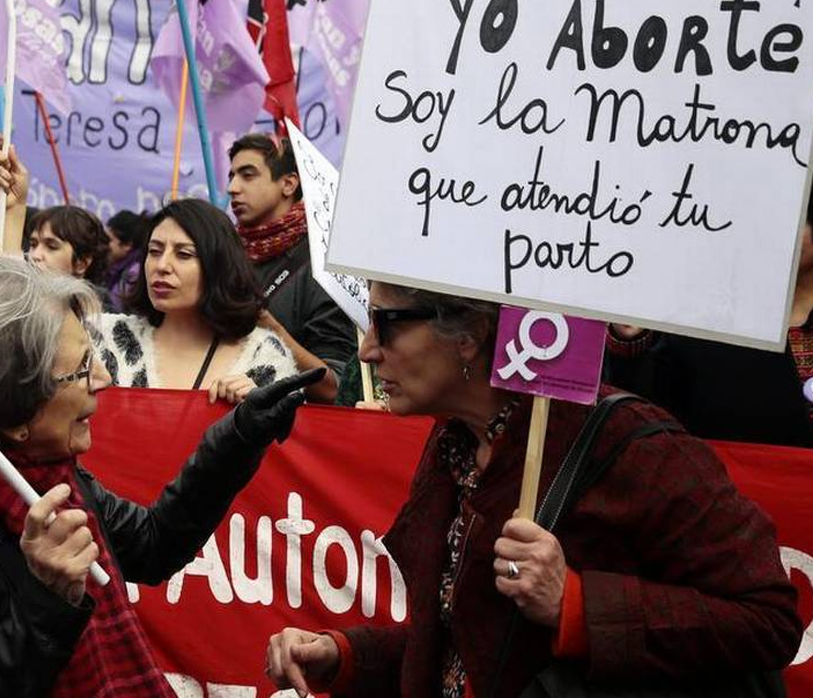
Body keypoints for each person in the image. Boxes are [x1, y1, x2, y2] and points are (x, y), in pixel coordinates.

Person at [265, 283, 801, 698]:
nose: (366, 350)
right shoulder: (453, 445)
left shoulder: (631, 444)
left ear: (469, 335)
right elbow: (467, 652)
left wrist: (575, 604)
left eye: (386, 324)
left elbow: (768, 620)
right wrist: (343, 655)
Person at [0, 255, 323, 697]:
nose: (102, 378)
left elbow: (153, 544)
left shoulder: (48, 473)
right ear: (15, 410)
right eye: (80, 369)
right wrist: (48, 598)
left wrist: (239, 436)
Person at [605, 201, 813, 447]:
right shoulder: (705, 322)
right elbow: (642, 412)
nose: (782, 235)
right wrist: (629, 338)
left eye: (796, 220)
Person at [98, 198, 299, 403]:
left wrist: (259, 412)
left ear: (219, 266)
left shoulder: (262, 356)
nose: (162, 265)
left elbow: (290, 422)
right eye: (155, 251)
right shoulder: (105, 341)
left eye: (183, 254)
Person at [228, 133, 355, 402]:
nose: (232, 187)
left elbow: (334, 386)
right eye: (232, 176)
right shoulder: (226, 258)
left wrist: (269, 329)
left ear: (288, 184)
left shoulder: (324, 260)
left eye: (247, 175)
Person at [104, 209, 148, 311]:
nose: (102, 244)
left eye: (108, 240)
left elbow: (115, 309)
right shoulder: (115, 269)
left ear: (127, 245)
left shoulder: (134, 274)